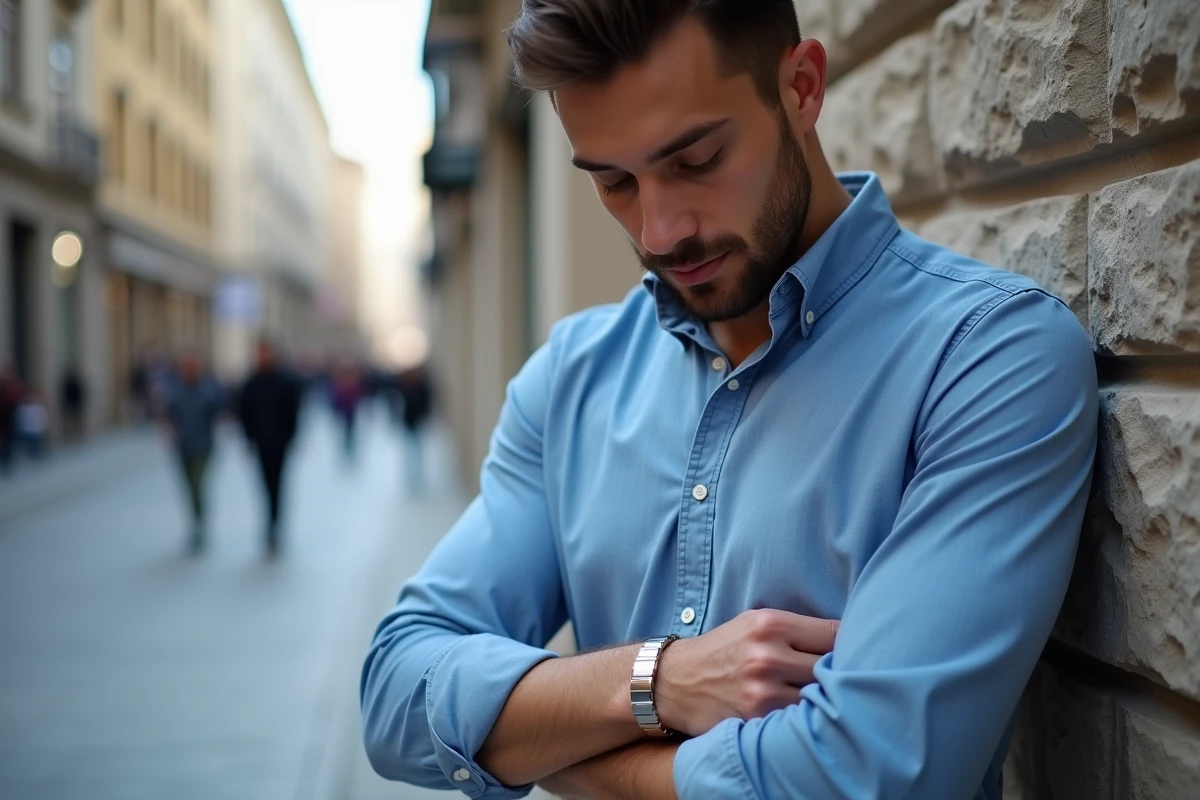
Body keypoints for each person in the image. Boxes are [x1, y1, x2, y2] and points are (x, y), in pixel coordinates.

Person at [360, 3, 1099, 799]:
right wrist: (660, 680)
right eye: (613, 181)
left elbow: (868, 775)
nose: (661, 229)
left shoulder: (986, 356)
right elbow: (396, 693)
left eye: (697, 159)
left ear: (803, 88)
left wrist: (549, 745)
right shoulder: (569, 377)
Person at [237, 340, 301, 557]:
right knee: (264, 485)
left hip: (280, 443)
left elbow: (293, 411)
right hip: (260, 443)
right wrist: (247, 438)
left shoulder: (285, 381)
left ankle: (275, 525)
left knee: (278, 485)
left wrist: (292, 437)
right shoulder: (252, 382)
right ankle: (269, 524)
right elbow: (243, 412)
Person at [163, 352, 225, 554]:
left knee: (198, 485)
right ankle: (195, 521)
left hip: (203, 446)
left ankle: (200, 525)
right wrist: (169, 430)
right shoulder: (176, 390)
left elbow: (220, 410)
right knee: (189, 487)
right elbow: (167, 415)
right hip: (183, 447)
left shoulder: (208, 389)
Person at [394, 364, 433, 492]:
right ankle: (410, 477)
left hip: (417, 422)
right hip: (408, 423)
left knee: (417, 450)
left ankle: (418, 476)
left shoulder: (421, 387)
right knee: (409, 451)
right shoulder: (405, 387)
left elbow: (426, 404)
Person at [15, 388, 49, 460]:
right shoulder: (23, 408)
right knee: (29, 445)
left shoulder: (38, 408)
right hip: (28, 430)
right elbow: (21, 419)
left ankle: (37, 456)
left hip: (37, 429)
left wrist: (43, 428)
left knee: (36, 445)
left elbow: (43, 418)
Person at [0, 364, 21, 474]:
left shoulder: (14, 384)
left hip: (11, 415)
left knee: (10, 438)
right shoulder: (3, 385)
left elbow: (17, 399)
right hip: (3, 416)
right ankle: (4, 460)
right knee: (5, 438)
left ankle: (8, 460)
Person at [60, 366, 87, 444]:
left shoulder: (76, 383)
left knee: (76, 421)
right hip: (71, 405)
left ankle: (77, 436)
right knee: (70, 422)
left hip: (76, 405)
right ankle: (70, 436)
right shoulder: (68, 384)